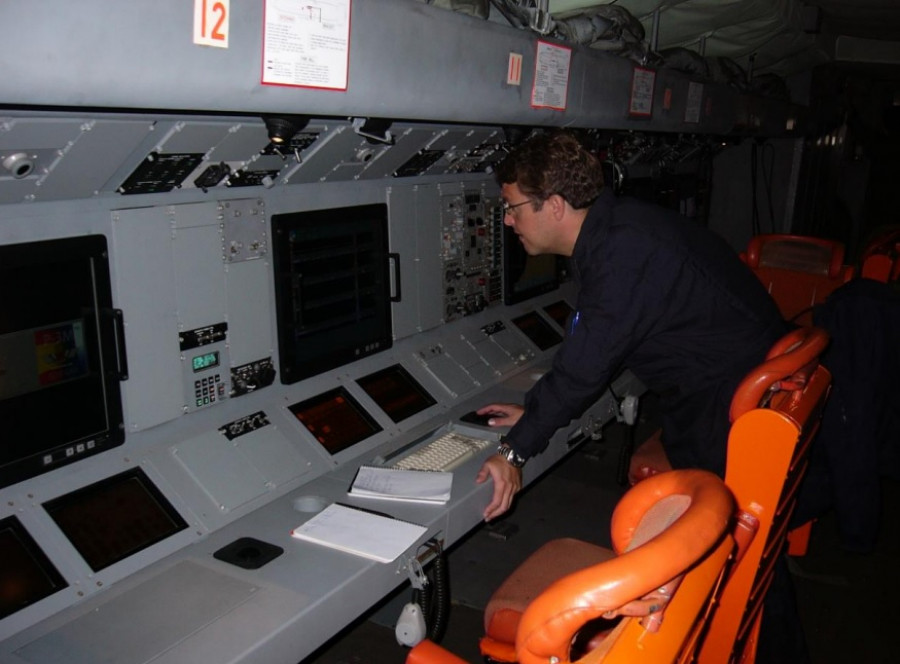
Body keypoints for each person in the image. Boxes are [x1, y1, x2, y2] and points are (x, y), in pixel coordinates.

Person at [474, 131, 787, 522]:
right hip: (736, 393)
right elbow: (600, 347)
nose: (506, 219)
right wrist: (535, 412)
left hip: (729, 417)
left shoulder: (621, 254)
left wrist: (513, 451)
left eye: (512, 206)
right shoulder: (622, 227)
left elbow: (584, 368)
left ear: (554, 205)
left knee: (721, 546)